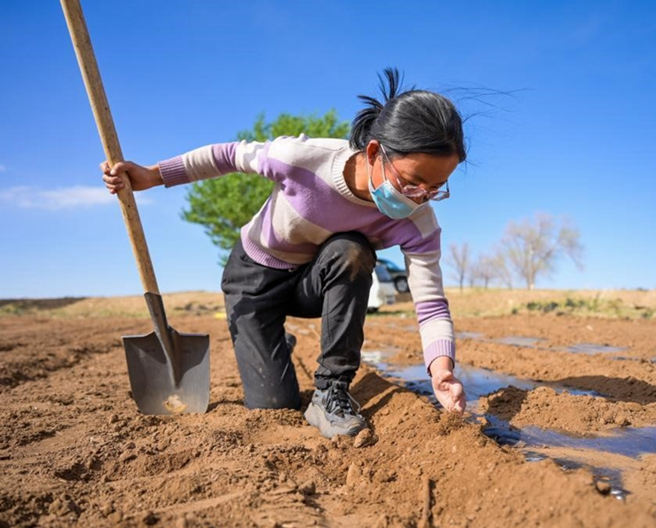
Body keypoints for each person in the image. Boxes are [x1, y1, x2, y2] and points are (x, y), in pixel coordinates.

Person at [101, 68, 467, 438]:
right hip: (253, 279)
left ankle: (330, 392)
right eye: (411, 181)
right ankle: (273, 343)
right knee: (274, 405)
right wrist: (153, 175)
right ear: (375, 152)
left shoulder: (419, 223)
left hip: (312, 283)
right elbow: (227, 155)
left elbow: (431, 303)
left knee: (353, 251)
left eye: (434, 188)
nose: (418, 196)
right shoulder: (304, 159)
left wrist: (441, 369)